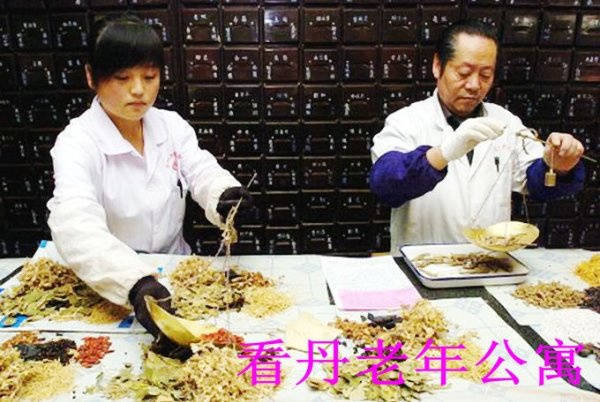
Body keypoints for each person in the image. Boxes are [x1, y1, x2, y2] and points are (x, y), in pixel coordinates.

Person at [47, 14, 253, 357]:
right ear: (91, 77)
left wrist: (223, 196)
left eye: (149, 76)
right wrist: (134, 283)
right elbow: (74, 223)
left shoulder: (170, 126)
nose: (139, 90)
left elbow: (200, 169)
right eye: (122, 78)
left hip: (177, 272)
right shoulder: (77, 142)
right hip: (113, 284)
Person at [370, 20, 585, 254]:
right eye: (463, 73)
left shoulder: (506, 121)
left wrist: (559, 166)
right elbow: (385, 186)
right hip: (423, 266)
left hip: (491, 264)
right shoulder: (406, 121)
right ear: (437, 66)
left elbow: (537, 184)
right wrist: (442, 154)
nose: (474, 85)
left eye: (485, 75)